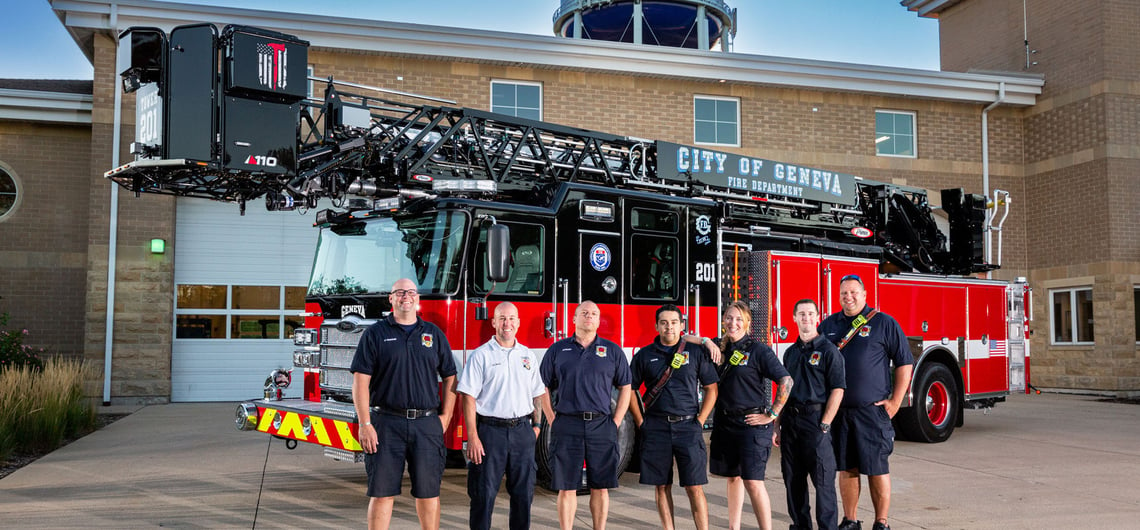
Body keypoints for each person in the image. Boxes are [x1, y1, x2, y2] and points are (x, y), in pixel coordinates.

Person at [350, 278, 458, 530]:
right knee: (382, 493)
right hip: (386, 424)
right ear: (391, 298)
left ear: (418, 299)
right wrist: (365, 423)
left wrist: (446, 417)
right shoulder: (375, 334)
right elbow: (360, 382)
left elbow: (451, 377)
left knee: (429, 493)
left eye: (410, 292)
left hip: (426, 424)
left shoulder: (433, 334)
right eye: (400, 293)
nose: (405, 297)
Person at [819, 275, 914, 530]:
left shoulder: (884, 323)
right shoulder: (828, 325)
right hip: (839, 413)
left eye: (853, 292)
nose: (848, 297)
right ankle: (850, 520)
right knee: (846, 468)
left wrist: (896, 401)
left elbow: (905, 362)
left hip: (871, 412)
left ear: (864, 294)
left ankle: (881, 522)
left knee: (876, 468)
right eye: (843, 294)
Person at [457, 302, 554, 530]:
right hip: (490, 433)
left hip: (522, 432)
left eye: (511, 318)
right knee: (483, 494)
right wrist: (473, 436)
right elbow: (468, 398)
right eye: (502, 318)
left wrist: (537, 426)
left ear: (518, 323)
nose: (507, 324)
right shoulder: (480, 356)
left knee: (523, 496)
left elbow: (537, 394)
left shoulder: (527, 356)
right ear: (493, 323)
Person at [539, 300, 632, 530]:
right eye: (583, 313)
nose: (588, 316)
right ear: (574, 319)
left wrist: (616, 422)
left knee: (600, 486)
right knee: (566, 487)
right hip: (566, 425)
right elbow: (541, 385)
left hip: (601, 426)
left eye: (593, 314)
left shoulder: (612, 351)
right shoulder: (558, 350)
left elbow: (626, 386)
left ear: (599, 321)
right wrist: (551, 418)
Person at [628, 304, 719, 530]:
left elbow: (712, 388)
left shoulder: (696, 352)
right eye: (664, 322)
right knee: (661, 486)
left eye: (674, 322)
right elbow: (629, 389)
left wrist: (700, 421)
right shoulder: (644, 355)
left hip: (688, 426)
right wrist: (641, 422)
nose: (669, 327)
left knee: (694, 486)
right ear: (656, 325)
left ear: (682, 325)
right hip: (656, 428)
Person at [708, 300, 793, 530]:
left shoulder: (758, 350)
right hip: (726, 424)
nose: (733, 323)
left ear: (747, 323)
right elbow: (687, 339)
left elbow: (786, 380)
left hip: (751, 425)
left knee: (753, 482)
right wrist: (707, 341)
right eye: (729, 318)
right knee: (733, 478)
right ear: (724, 320)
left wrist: (772, 414)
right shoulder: (720, 347)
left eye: (738, 319)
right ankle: (733, 527)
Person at [777, 299, 846, 530]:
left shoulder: (829, 351)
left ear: (818, 317)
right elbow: (784, 391)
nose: (806, 318)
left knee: (824, 484)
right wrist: (777, 425)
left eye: (810, 313)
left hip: (816, 422)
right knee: (793, 481)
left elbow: (838, 389)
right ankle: (800, 525)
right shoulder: (790, 353)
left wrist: (825, 424)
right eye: (801, 314)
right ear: (794, 318)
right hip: (791, 423)